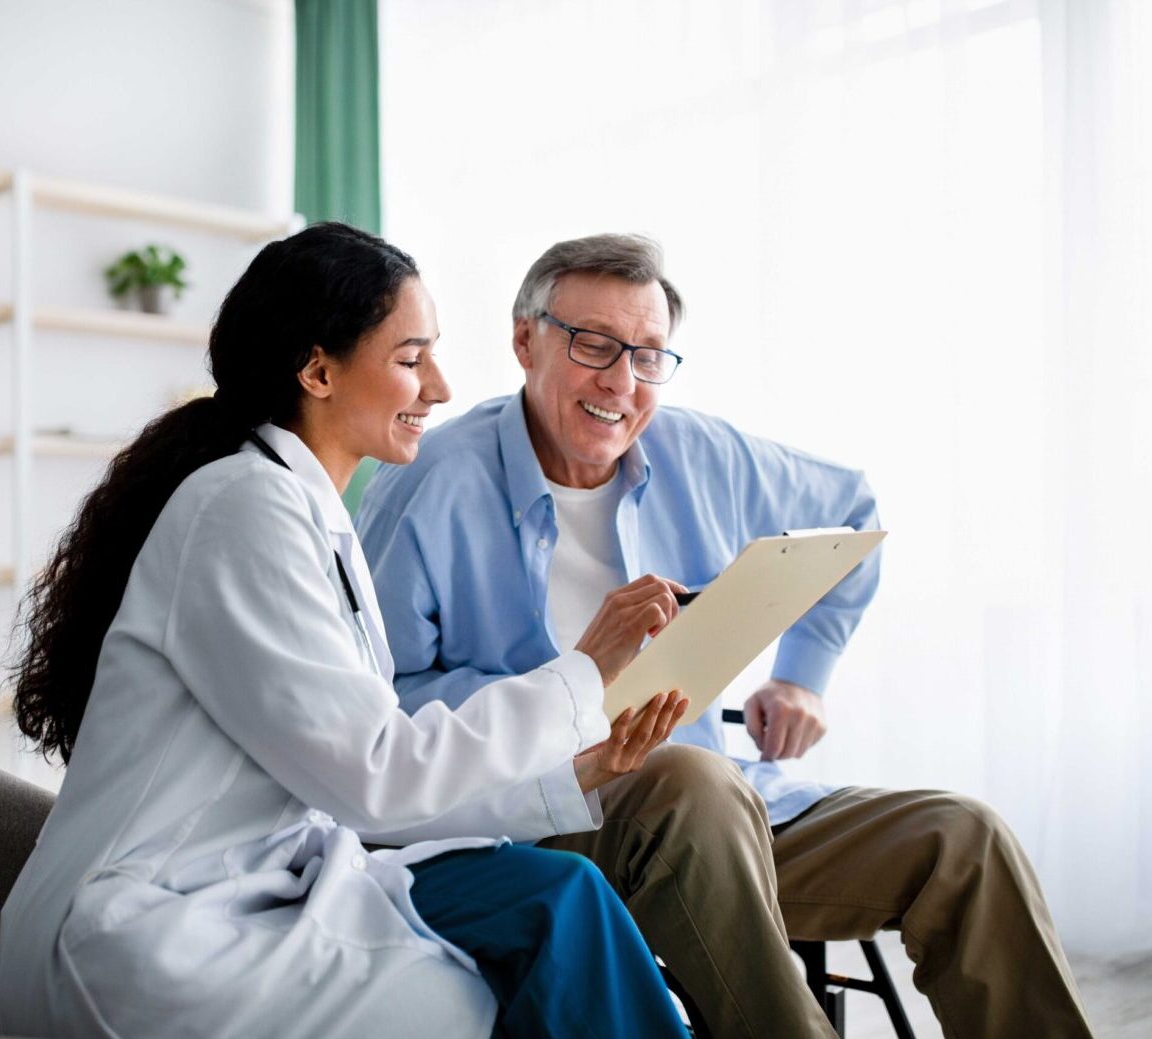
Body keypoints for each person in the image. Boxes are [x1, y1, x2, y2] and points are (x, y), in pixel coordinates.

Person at [356, 233, 1096, 1038]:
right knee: (689, 779)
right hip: (543, 818)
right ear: (525, 339)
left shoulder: (702, 452)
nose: (621, 382)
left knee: (964, 839)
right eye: (594, 344)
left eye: (647, 356)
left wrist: (802, 674)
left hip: (728, 814)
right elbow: (380, 709)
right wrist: (573, 688)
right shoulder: (429, 483)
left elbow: (853, 511)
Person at [0, 223, 694, 1039]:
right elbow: (375, 777)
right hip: (141, 930)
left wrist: (574, 772)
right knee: (510, 968)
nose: (439, 386)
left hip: (261, 886)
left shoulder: (308, 514)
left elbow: (359, 786)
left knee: (559, 901)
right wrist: (582, 673)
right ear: (318, 369)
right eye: (410, 358)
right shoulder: (242, 509)